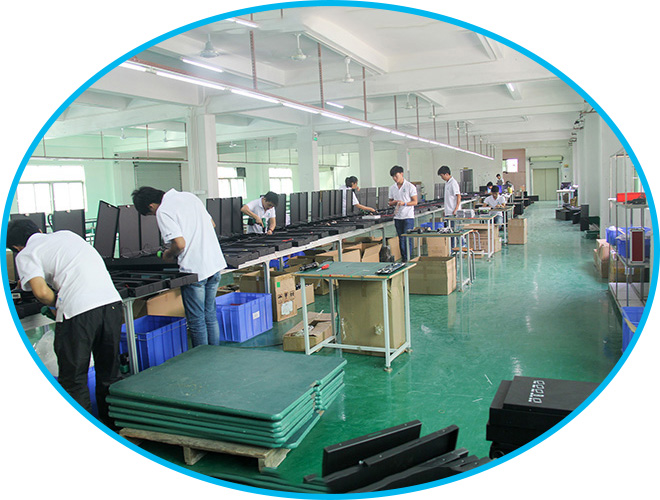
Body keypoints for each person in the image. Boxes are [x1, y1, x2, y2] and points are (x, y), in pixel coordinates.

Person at [7, 220, 123, 428]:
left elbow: (41, 292)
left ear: (16, 247)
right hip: (111, 304)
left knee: (74, 380)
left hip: (78, 311)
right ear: (39, 230)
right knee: (109, 373)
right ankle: (114, 426)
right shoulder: (67, 235)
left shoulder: (26, 253)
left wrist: (56, 304)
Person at [132, 187, 226, 347]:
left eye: (151, 214)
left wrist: (169, 254)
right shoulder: (189, 197)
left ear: (151, 206)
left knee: (196, 320)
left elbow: (180, 244)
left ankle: (203, 358)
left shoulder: (163, 210)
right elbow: (212, 224)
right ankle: (214, 353)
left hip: (195, 270)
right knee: (210, 314)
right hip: (214, 263)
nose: (154, 215)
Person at [388, 165, 418, 261]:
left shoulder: (410, 186)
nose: (394, 178)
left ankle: (408, 258)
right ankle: (404, 259)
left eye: (396, 176)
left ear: (402, 174)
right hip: (398, 217)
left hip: (408, 217)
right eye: (393, 177)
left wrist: (404, 203)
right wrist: (394, 202)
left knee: (407, 238)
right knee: (401, 239)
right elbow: (390, 202)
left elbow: (415, 202)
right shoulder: (392, 188)